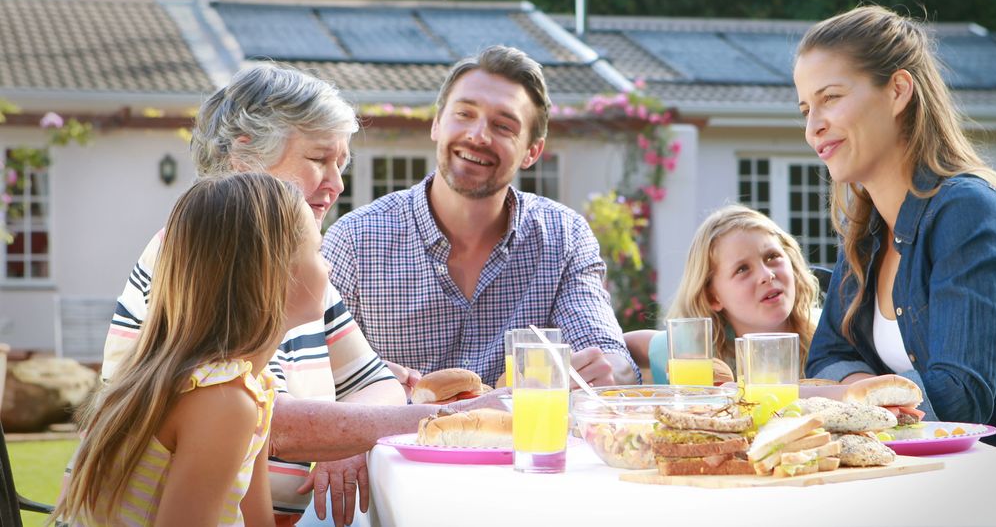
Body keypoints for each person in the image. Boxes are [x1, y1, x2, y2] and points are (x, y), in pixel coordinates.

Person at [98, 64, 407, 526]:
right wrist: (435, 420)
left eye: (341, 164)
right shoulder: (189, 260)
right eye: (320, 159)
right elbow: (257, 424)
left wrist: (346, 439)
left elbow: (375, 385)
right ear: (246, 158)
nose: (337, 185)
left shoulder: (256, 373)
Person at [794, 4, 996, 472]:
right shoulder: (866, 232)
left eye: (831, 98)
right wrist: (866, 398)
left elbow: (959, 396)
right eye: (806, 108)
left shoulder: (968, 211)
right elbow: (828, 353)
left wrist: (840, 401)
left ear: (898, 91)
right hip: (933, 484)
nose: (813, 127)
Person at [323, 45, 639, 390]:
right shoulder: (356, 240)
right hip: (395, 443)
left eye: (504, 126)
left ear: (532, 151)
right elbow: (310, 375)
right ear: (436, 124)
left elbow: (607, 354)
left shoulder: (563, 236)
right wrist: (357, 383)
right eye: (464, 114)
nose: (478, 136)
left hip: (523, 441)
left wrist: (608, 369)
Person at [56, 173, 320, 524]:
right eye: (318, 250)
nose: (327, 264)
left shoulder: (254, 386)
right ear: (278, 276)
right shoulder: (221, 401)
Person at [625, 205, 820, 384]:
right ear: (713, 297)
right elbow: (619, 345)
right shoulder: (693, 352)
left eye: (772, 257)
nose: (767, 275)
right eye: (742, 269)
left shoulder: (831, 335)